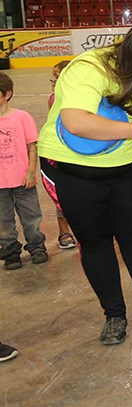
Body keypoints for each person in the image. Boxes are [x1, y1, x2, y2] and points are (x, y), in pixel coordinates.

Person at [37, 23, 132, 345]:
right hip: (75, 171)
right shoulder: (89, 68)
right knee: (95, 243)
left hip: (127, 168)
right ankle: (114, 315)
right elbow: (76, 122)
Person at [0, 73, 46, 270]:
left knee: (31, 218)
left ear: (7, 94)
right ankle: (10, 252)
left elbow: (32, 148)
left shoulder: (22, 117)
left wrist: (30, 171)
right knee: (3, 222)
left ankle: (37, 247)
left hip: (22, 180)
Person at [44, 60, 76, 248]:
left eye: (56, 77)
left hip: (79, 151)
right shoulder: (54, 98)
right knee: (61, 193)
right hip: (60, 152)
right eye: (53, 77)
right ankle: (64, 230)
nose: (53, 81)